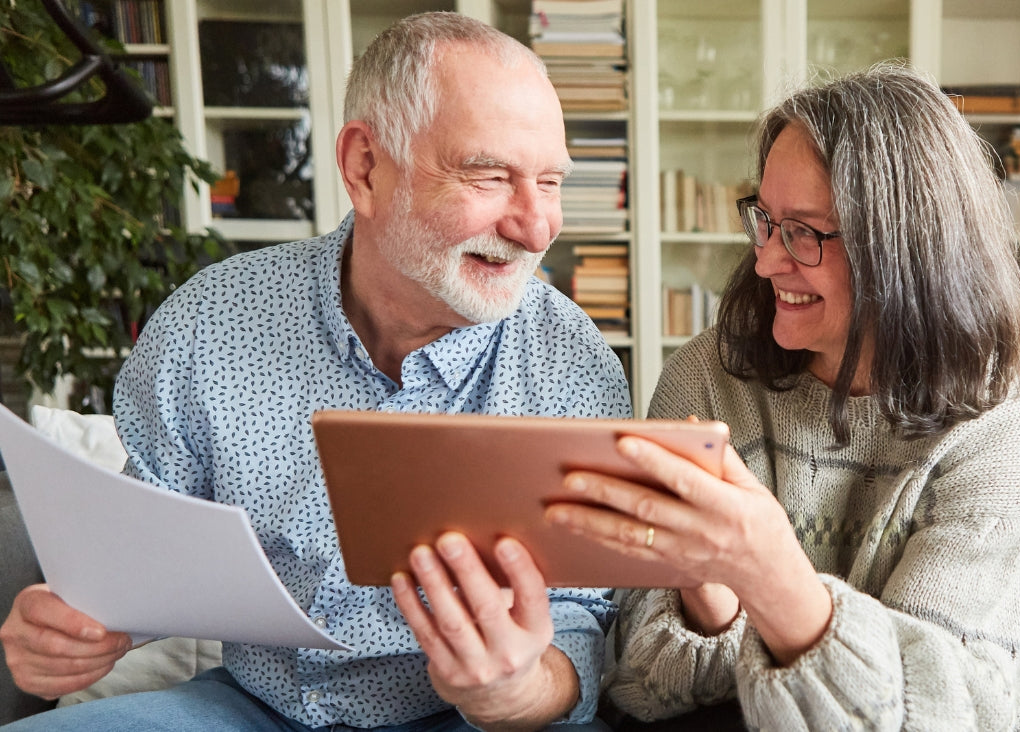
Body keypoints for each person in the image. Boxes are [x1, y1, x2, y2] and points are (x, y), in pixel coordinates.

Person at [0, 12, 630, 732]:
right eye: (488, 176)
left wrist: (519, 692)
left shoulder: (569, 361)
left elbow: (583, 621)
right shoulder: (210, 321)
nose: (537, 225)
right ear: (365, 167)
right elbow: (143, 559)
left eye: (550, 182)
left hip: (468, 721)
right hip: (251, 707)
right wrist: (77, 625)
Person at [544, 64, 1020, 731]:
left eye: (804, 231)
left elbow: (941, 708)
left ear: (905, 250)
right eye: (765, 220)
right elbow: (639, 684)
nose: (766, 261)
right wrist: (710, 600)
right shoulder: (706, 377)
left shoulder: (999, 431)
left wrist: (767, 570)